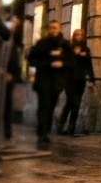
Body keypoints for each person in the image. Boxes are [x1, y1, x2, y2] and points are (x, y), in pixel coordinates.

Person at [27, 20, 74, 149]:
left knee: (51, 106)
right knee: (44, 105)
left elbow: (71, 61)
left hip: (57, 81)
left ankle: (46, 130)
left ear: (59, 29)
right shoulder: (42, 43)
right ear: (49, 29)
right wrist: (44, 64)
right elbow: (31, 58)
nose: (53, 30)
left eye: (55, 28)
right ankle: (42, 132)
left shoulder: (64, 45)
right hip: (43, 79)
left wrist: (62, 63)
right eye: (51, 28)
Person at [60, 28, 95, 137]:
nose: (79, 37)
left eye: (81, 35)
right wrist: (75, 55)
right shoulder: (69, 49)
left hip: (80, 80)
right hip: (69, 80)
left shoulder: (86, 49)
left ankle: (71, 127)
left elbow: (89, 66)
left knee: (75, 104)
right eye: (77, 35)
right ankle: (62, 124)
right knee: (72, 102)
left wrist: (91, 80)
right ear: (74, 36)